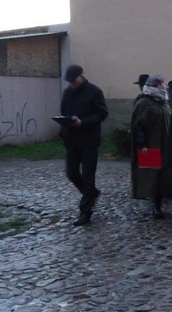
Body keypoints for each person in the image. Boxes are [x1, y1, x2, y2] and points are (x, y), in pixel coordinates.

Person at [131, 74, 172, 219]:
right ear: (156, 86)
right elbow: (138, 126)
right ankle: (156, 207)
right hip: (151, 146)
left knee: (164, 174)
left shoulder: (163, 102)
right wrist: (142, 144)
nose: (165, 86)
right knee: (153, 175)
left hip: (165, 144)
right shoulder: (144, 103)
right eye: (162, 84)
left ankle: (159, 203)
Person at [59, 65, 109, 226]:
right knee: (72, 173)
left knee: (88, 177)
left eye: (74, 81)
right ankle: (91, 194)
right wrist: (63, 126)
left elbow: (102, 113)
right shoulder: (67, 93)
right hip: (72, 141)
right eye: (70, 82)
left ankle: (85, 211)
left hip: (89, 141)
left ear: (81, 77)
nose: (72, 84)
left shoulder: (94, 91)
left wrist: (84, 122)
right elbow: (64, 112)